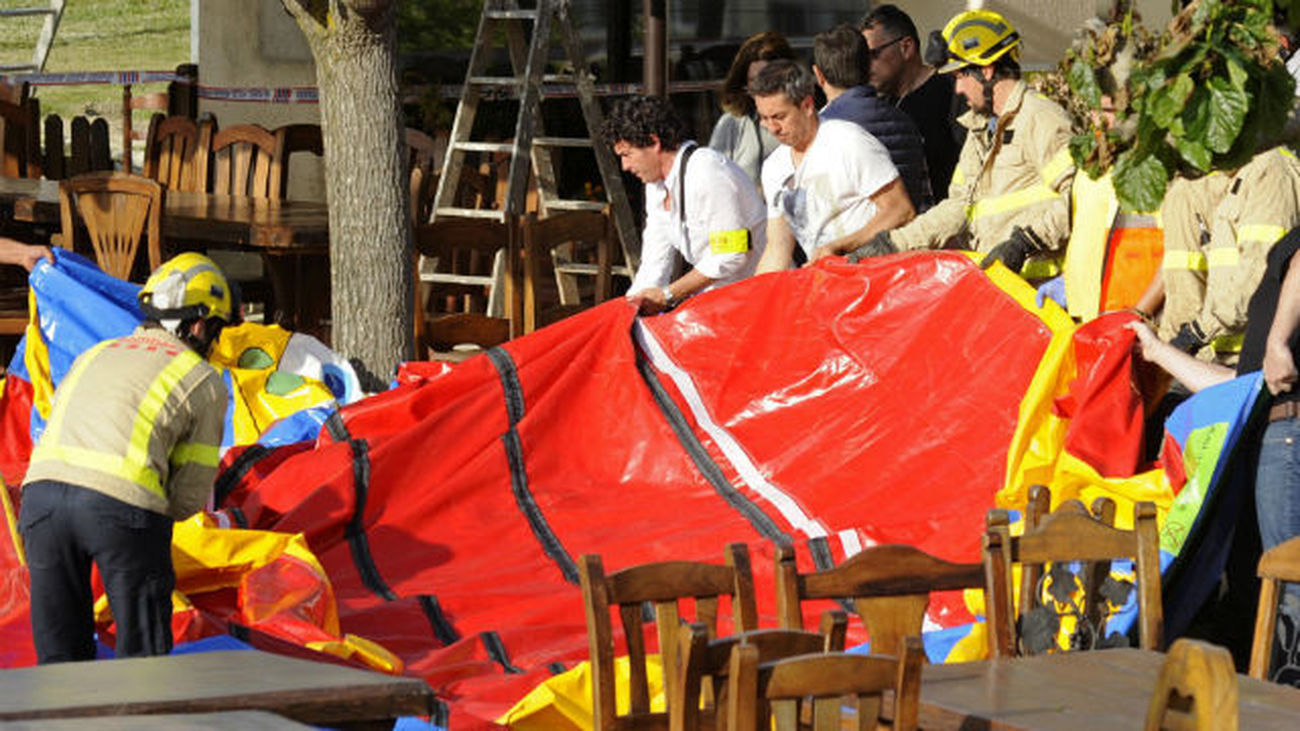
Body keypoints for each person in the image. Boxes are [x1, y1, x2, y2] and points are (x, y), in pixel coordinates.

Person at [19, 252, 231, 663]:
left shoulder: (96, 353)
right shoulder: (203, 379)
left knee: (60, 663)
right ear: (201, 324)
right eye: (218, 331)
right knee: (142, 663)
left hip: (40, 502)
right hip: (121, 508)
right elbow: (187, 500)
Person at [1128, 225, 1300, 678]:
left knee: (1288, 583)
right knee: (1268, 586)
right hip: (1272, 435)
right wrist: (1158, 352)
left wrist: (1278, 341)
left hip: (1287, 438)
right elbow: (1240, 388)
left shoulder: (1293, 262)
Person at [860, 9, 1074, 279]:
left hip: (1046, 288)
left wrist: (1026, 242)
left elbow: (1077, 197)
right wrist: (891, 243)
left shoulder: (1039, 117)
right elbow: (958, 205)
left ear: (986, 70)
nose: (957, 89)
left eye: (960, 76)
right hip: (1005, 286)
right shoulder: (979, 129)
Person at [602, 95, 767, 315]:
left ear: (654, 142)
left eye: (627, 155)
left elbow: (731, 254)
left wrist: (669, 294)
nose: (625, 166)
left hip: (758, 299)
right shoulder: (656, 186)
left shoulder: (708, 171)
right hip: (717, 301)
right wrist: (630, 308)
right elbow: (655, 259)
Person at [750, 59, 914, 272]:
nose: (772, 128)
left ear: (807, 105)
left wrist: (840, 246)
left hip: (876, 276)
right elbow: (777, 249)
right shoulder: (774, 167)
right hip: (826, 286)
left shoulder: (848, 141)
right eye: (764, 118)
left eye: (779, 117)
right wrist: (757, 299)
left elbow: (901, 210)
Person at [1147, 147, 1300, 364]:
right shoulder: (1227, 179)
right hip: (1216, 355)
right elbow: (1188, 281)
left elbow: (1260, 275)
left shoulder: (1272, 171)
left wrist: (1195, 334)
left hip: (1260, 358)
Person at [813, 23, 932, 212]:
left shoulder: (819, 131)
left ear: (818, 75)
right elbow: (925, 195)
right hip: (907, 236)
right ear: (868, 65)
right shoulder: (904, 121)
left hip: (852, 239)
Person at [860, 3, 966, 199]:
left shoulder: (954, 91)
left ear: (906, 47)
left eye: (873, 55)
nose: (866, 65)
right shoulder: (879, 107)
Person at [708, 31, 796, 186]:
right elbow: (714, 183)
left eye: (769, 80)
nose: (762, 89)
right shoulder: (731, 125)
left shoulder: (805, 122)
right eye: (754, 81)